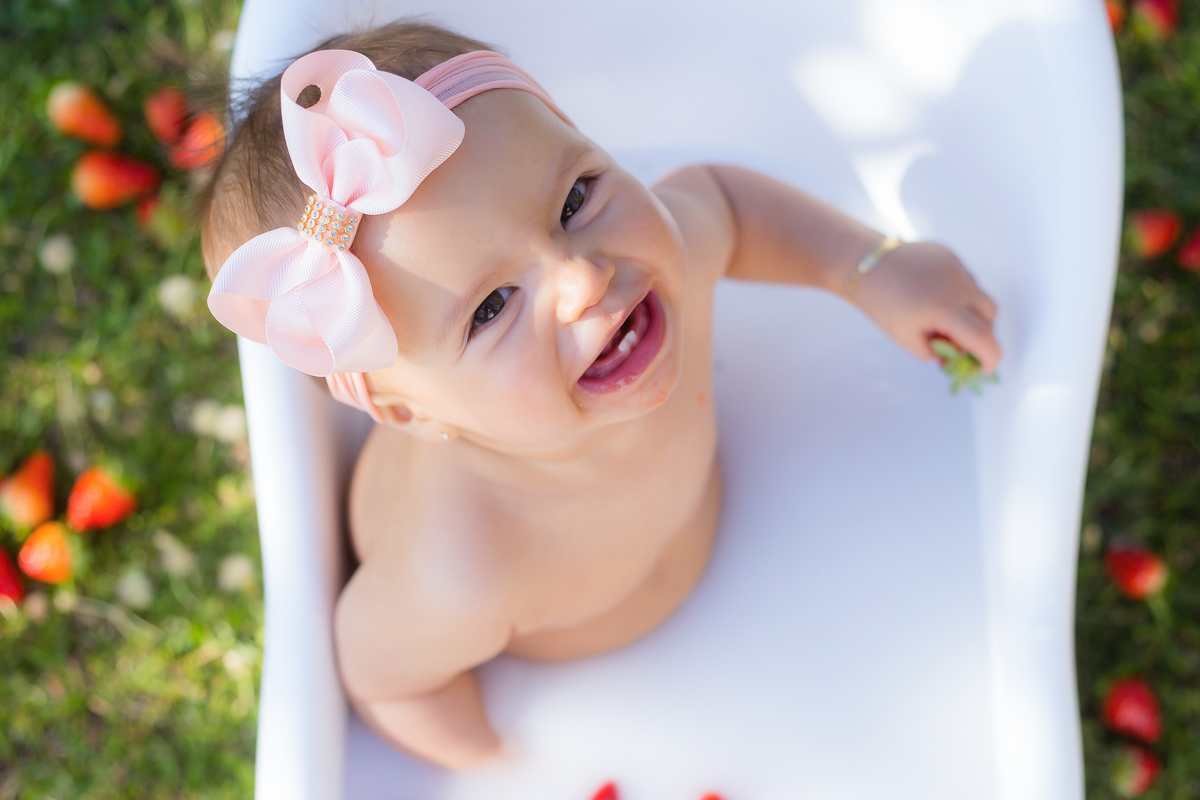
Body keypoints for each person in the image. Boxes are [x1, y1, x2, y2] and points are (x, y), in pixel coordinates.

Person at [198, 20, 1002, 770]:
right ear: (414, 414)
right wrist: (488, 757)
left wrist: (869, 268)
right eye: (490, 308)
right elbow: (383, 673)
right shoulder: (455, 572)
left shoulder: (666, 257)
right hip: (599, 681)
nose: (584, 278)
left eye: (577, 198)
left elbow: (725, 201)